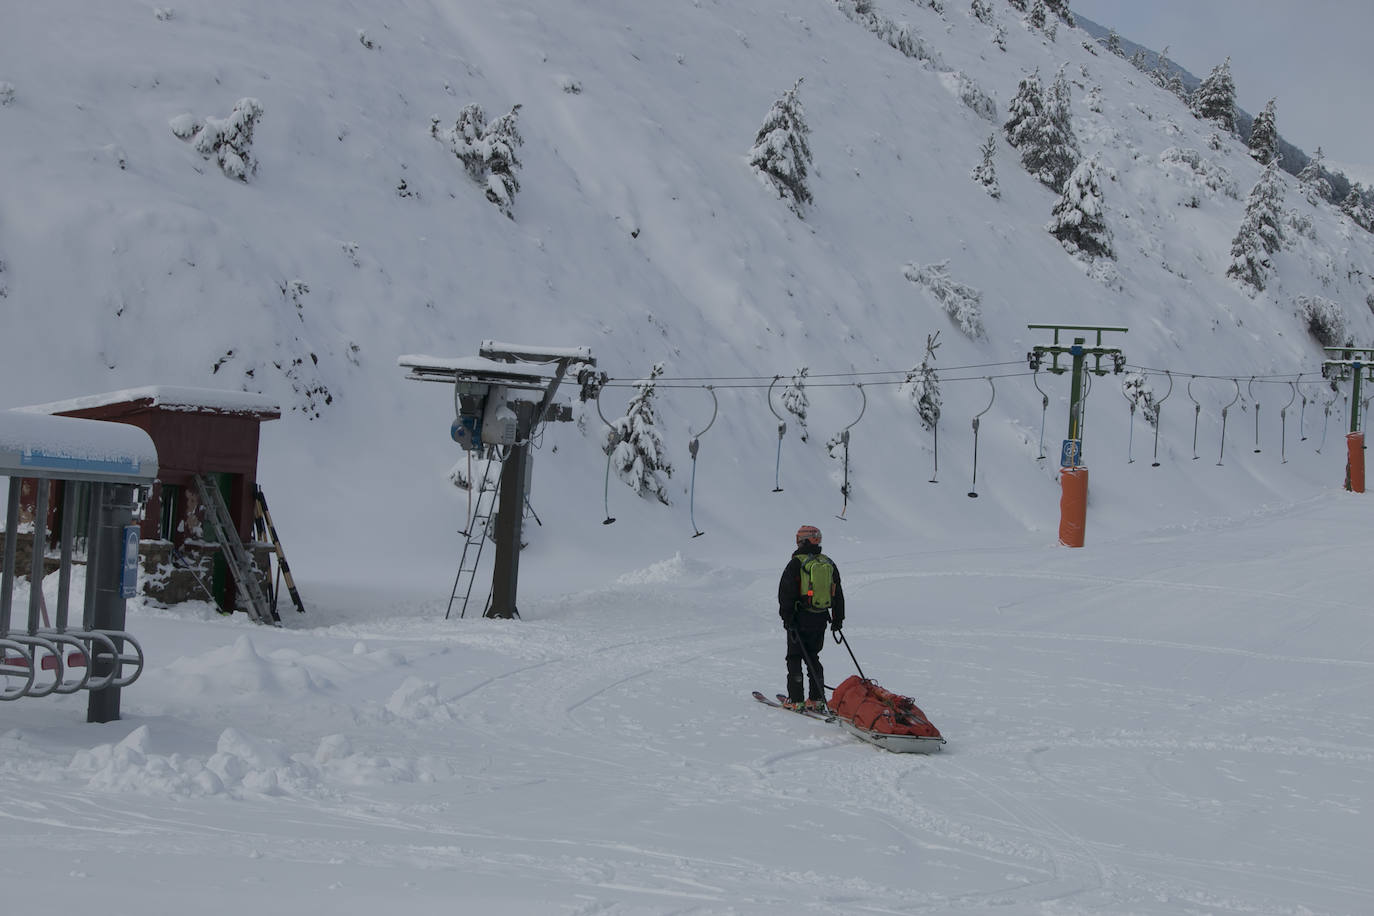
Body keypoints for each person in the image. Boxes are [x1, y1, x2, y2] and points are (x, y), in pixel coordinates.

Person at [777, 524, 845, 711]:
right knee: (813, 656)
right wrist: (838, 619)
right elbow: (837, 593)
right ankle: (816, 699)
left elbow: (786, 593)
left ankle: (796, 699)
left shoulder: (796, 563)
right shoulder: (828, 563)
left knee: (794, 657)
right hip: (820, 617)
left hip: (799, 619)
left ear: (802, 541)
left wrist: (787, 617)